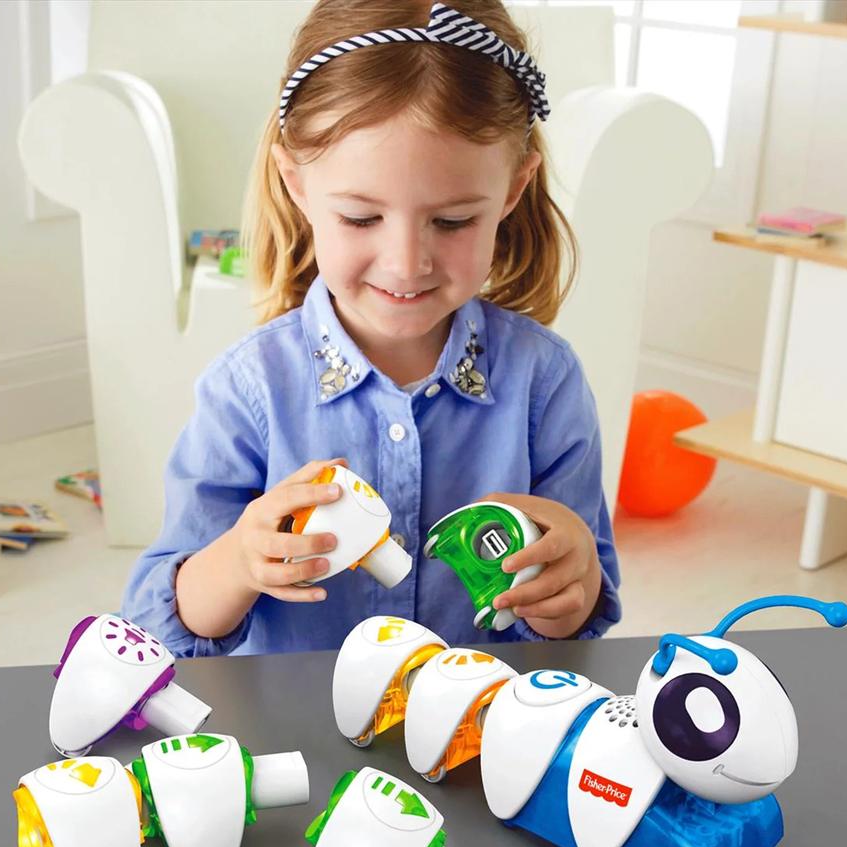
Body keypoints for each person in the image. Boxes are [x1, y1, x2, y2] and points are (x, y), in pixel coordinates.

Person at [121, 0, 621, 656]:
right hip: (298, 739)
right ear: (297, 184)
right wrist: (241, 560)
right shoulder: (249, 391)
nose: (406, 262)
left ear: (512, 189)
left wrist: (567, 582)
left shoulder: (544, 383)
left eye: (451, 222)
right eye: (360, 218)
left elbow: (576, 622)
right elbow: (159, 623)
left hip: (476, 734)